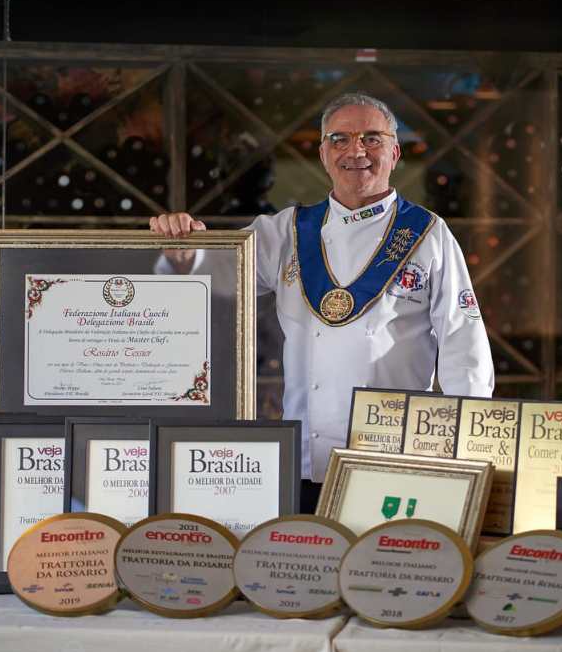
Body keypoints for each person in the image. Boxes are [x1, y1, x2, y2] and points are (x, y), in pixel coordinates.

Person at [150, 92, 494, 512]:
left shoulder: (427, 234)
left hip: (395, 460)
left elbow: (463, 344)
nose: (356, 151)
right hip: (305, 461)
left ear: (395, 152)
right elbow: (216, 275)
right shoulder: (286, 231)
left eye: (372, 138)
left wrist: (466, 452)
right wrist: (183, 247)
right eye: (340, 139)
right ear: (323, 154)